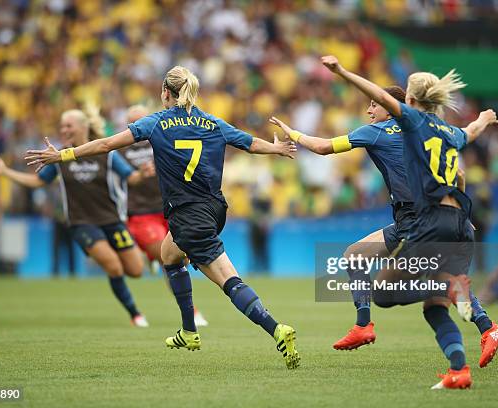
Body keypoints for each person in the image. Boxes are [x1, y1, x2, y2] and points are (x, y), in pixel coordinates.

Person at [25, 66, 301, 369]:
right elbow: (248, 143)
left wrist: (64, 155)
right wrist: (275, 148)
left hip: (187, 214)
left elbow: (105, 145)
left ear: (165, 93)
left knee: (227, 278)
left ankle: (276, 329)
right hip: (213, 208)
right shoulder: (213, 122)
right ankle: (189, 331)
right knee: (168, 254)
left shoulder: (156, 123)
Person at [270, 83, 498, 369]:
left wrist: (292, 132)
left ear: (392, 106)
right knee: (356, 256)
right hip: (442, 218)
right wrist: (459, 210)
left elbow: (322, 147)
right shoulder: (428, 130)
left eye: (374, 104)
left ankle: (372, 324)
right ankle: (483, 328)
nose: (369, 109)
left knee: (422, 292)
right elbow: (459, 173)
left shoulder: (378, 131)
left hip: (418, 222)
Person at [318, 55, 498, 389]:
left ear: (411, 102)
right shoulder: (450, 131)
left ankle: (380, 318)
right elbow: (470, 133)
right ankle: (460, 367)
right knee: (434, 308)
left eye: (376, 105)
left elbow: (384, 99)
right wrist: (485, 118)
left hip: (427, 222)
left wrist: (341, 71)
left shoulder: (412, 123)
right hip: (459, 220)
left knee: (386, 292)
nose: (372, 108)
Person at [0, 107, 153, 327]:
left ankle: (148, 259)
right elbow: (37, 181)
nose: (64, 130)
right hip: (81, 223)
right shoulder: (59, 156)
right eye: (62, 126)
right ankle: (135, 314)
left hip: (112, 220)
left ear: (83, 127)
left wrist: (142, 174)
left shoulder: (105, 153)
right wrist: (6, 172)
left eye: (69, 125)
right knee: (113, 266)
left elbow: (131, 179)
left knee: (136, 270)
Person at [123, 104, 208, 326]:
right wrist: (139, 176)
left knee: (183, 259)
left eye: (140, 120)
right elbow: (123, 179)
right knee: (168, 259)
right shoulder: (121, 150)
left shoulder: (163, 140)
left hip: (168, 209)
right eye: (132, 123)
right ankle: (192, 311)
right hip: (140, 214)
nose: (137, 126)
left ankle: (152, 257)